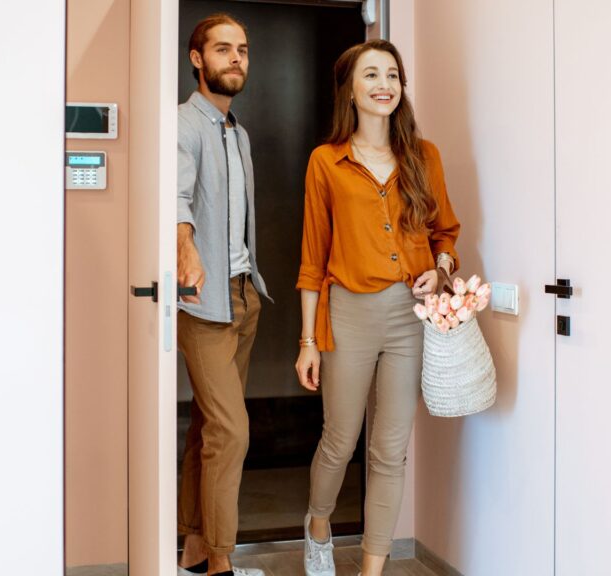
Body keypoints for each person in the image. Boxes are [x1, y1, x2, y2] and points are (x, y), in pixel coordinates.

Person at [294, 39, 460, 576]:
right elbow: (312, 260)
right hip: (348, 314)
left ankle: (372, 570)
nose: (384, 84)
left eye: (392, 74)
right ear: (350, 89)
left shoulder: (424, 156)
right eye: (371, 74)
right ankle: (319, 524)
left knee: (390, 450)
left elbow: (445, 233)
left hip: (411, 317)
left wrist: (441, 268)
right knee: (340, 440)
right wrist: (307, 342)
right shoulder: (326, 162)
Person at [176, 13, 270, 576]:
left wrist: (248, 282)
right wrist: (185, 248)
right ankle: (221, 561)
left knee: (207, 427)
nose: (236, 58)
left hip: (243, 296)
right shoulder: (182, 125)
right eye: (222, 49)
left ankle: (192, 545)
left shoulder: (239, 133)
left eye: (243, 49)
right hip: (203, 303)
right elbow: (176, 197)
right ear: (197, 59)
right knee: (232, 431)